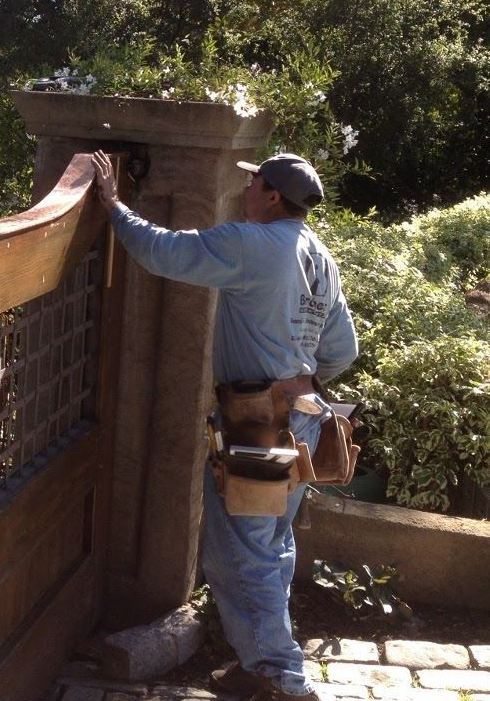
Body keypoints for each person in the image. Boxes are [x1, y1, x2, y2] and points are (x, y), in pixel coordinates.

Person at [90, 150, 358, 701]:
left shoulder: (251, 244)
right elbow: (342, 349)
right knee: (273, 545)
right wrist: (299, 380)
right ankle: (258, 666)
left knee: (240, 551)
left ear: (273, 195)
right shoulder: (318, 254)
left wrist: (114, 206)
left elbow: (165, 252)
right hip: (304, 420)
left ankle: (282, 678)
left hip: (259, 424)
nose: (245, 190)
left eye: (253, 181)